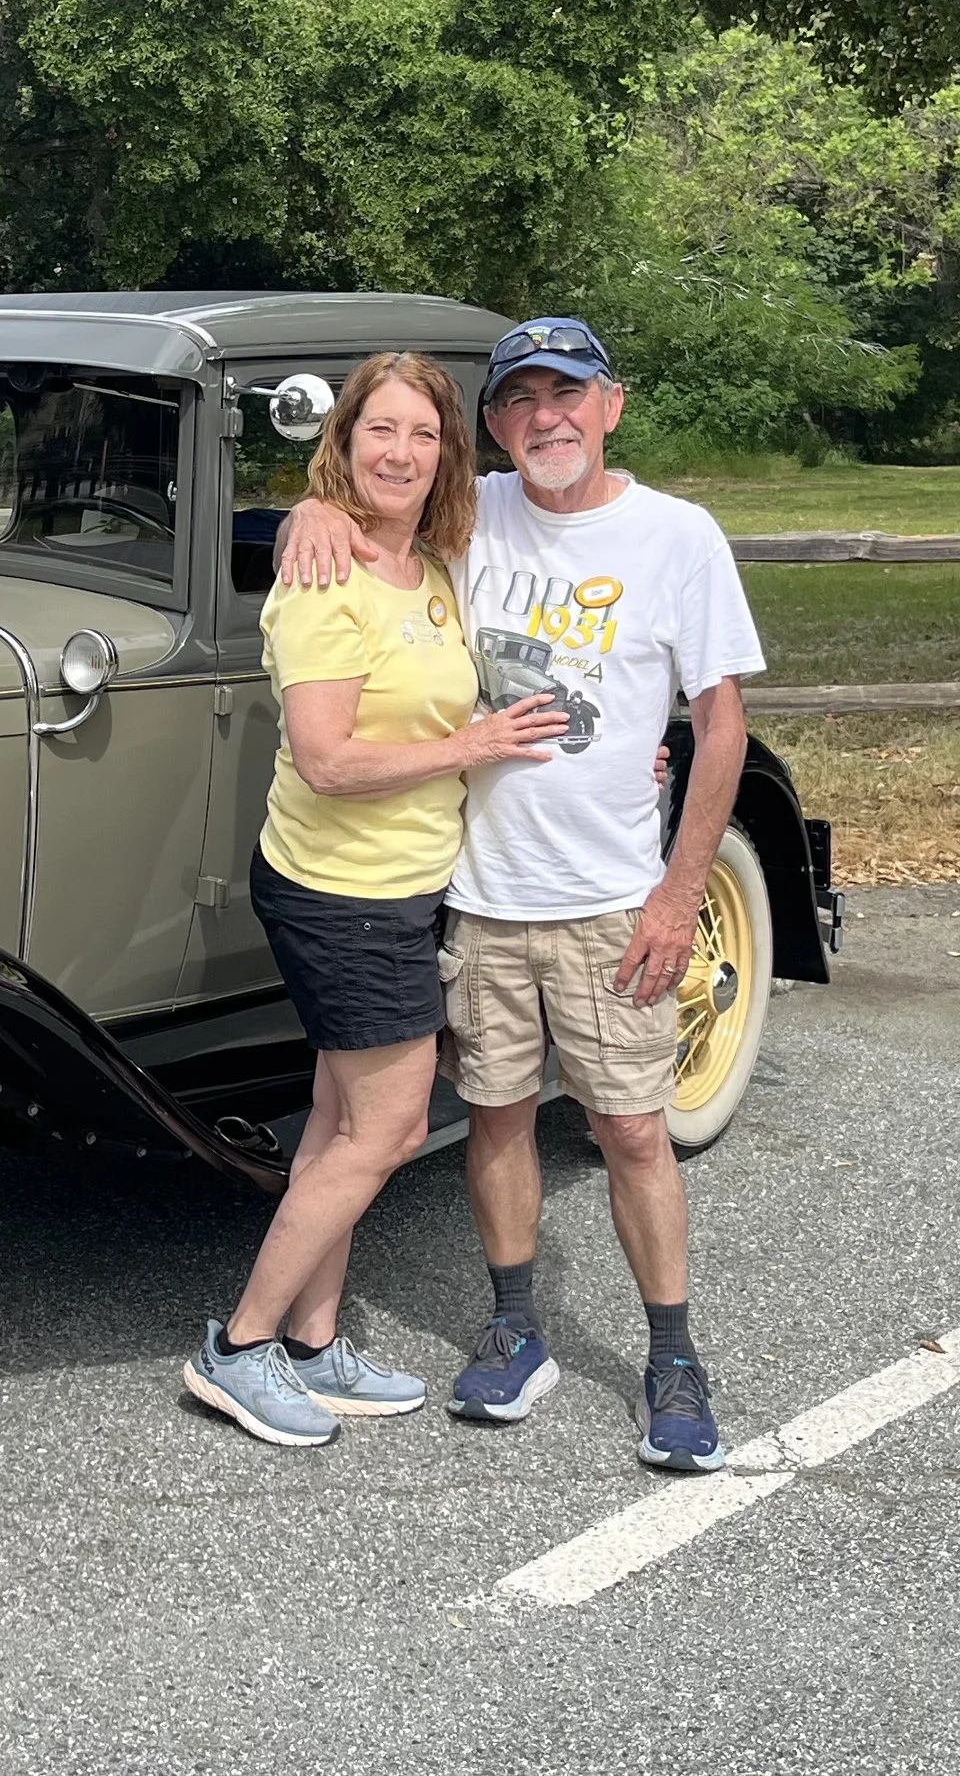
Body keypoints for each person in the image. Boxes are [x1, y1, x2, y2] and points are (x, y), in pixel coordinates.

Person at [275, 317, 765, 1472]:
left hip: (611, 895)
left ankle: (671, 1356)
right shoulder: (469, 515)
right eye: (519, 401)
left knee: (632, 1128)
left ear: (611, 406)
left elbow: (722, 722)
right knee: (494, 1117)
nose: (545, 416)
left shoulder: (677, 537)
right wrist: (311, 508)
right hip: (481, 893)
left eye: (568, 394)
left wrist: (676, 892)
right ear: (493, 427)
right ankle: (514, 1324)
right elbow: (370, 493)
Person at [184, 352, 569, 1449]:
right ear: (343, 441)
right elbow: (324, 762)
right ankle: (239, 1348)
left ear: (445, 453)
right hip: (340, 894)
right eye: (377, 432)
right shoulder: (325, 579)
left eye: (421, 434)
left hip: (403, 886)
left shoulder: (431, 569)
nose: (397, 452)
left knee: (340, 1124)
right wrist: (474, 743)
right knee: (391, 1126)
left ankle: (313, 1344)